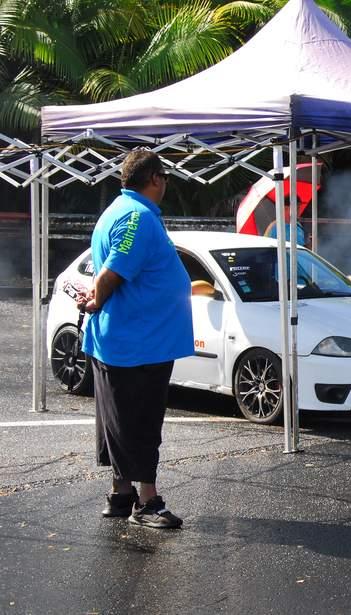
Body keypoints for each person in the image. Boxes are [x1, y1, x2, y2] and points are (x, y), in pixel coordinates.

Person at [78, 149, 193, 530]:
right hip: (138, 342)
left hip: (133, 339)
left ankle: (121, 493)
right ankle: (146, 502)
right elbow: (112, 270)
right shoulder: (137, 216)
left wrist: (98, 298)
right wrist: (97, 298)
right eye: (165, 178)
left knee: (120, 420)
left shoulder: (122, 210)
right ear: (156, 179)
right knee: (139, 422)